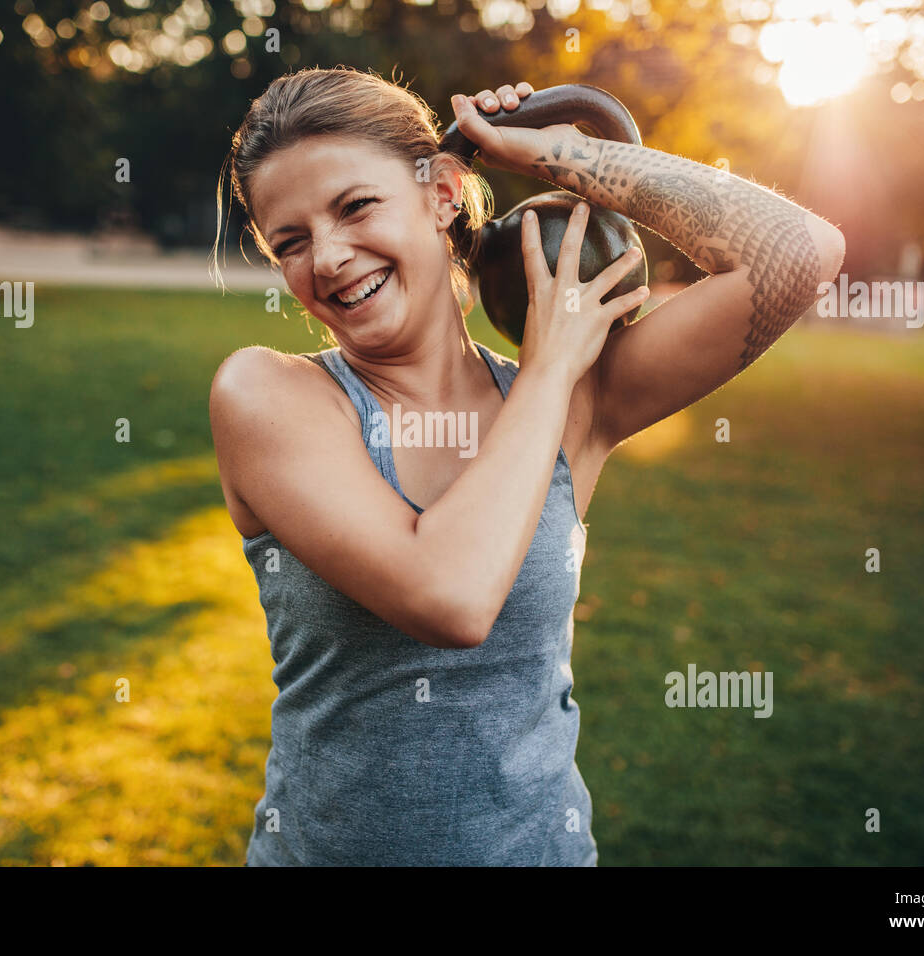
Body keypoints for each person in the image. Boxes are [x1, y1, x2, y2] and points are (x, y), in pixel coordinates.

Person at [209, 67, 845, 866]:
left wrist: (552, 153)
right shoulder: (267, 394)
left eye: (356, 206)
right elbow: (450, 597)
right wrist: (547, 371)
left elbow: (804, 252)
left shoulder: (578, 400)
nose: (329, 259)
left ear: (442, 192)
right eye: (291, 242)